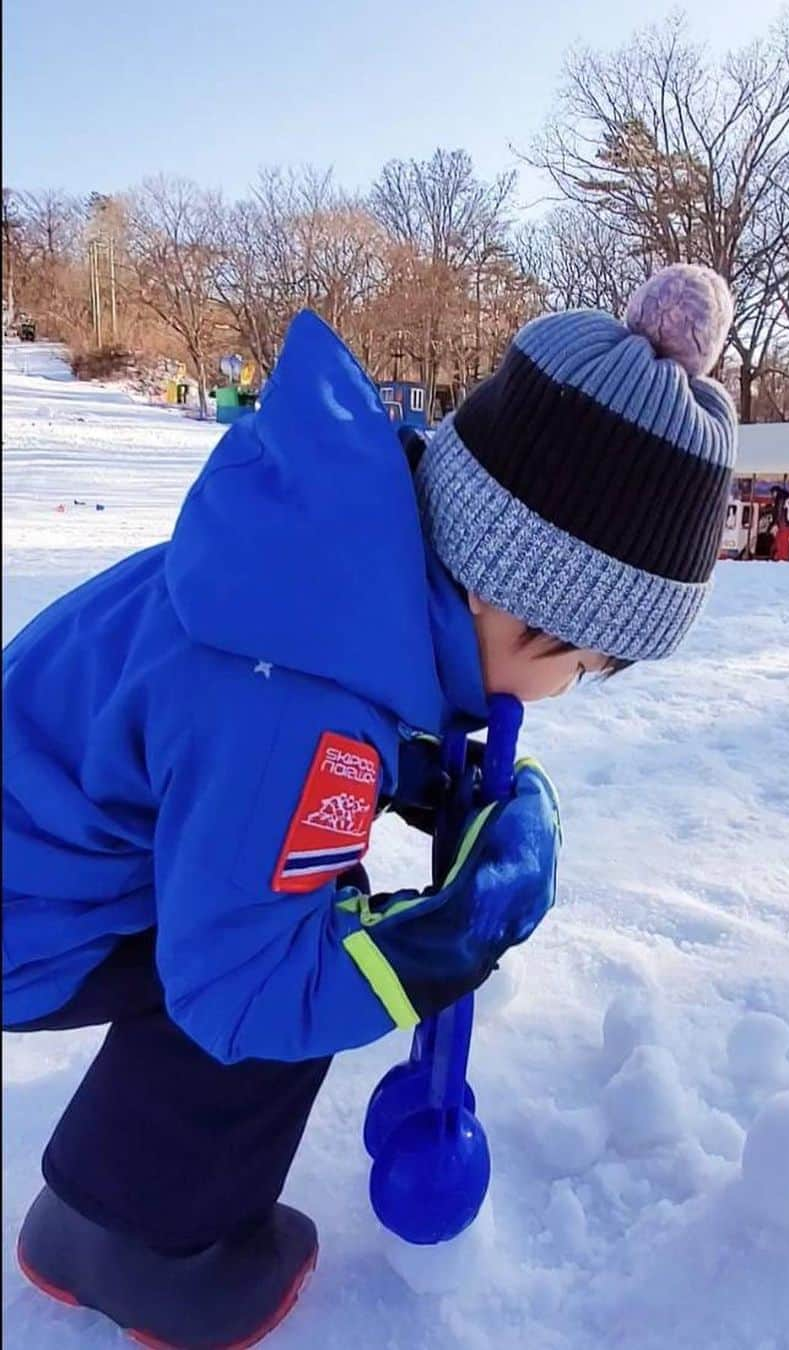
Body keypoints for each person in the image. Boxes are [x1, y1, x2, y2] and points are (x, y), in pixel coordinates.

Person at [2, 263, 737, 1349]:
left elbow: (237, 748)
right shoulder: (296, 704)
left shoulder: (321, 573)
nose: (566, 690)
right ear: (513, 592)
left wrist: (417, 769)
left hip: (45, 866)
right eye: (580, 664)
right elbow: (245, 982)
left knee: (292, 901)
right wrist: (449, 936)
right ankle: (137, 1247)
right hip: (25, 923)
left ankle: (110, 1201)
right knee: (297, 952)